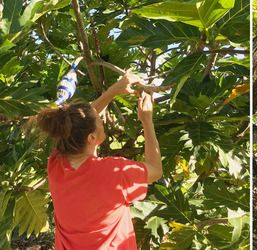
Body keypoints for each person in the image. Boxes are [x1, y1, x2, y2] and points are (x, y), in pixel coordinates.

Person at [36, 72, 163, 249]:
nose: (101, 118)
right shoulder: (114, 171)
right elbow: (155, 170)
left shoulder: (56, 164)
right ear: (91, 137)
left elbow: (80, 120)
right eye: (100, 121)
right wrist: (147, 120)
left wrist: (113, 90)